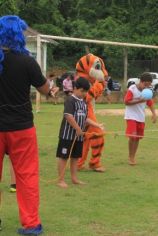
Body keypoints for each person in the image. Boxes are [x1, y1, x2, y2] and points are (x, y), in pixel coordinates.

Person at [0, 15, 53, 235]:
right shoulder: (27, 61)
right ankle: (31, 224)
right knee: (27, 176)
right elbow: (44, 89)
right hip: (22, 127)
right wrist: (52, 90)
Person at [56, 77, 91, 188]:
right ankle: (60, 180)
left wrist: (97, 125)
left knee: (75, 157)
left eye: (86, 91)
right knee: (64, 156)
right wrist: (77, 128)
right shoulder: (70, 100)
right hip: (67, 135)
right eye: (82, 91)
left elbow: (85, 118)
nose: (84, 93)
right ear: (75, 88)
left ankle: (74, 178)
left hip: (78, 137)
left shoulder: (84, 103)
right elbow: (68, 116)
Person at [76, 54, 107, 172]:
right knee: (97, 135)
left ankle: (79, 163)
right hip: (84, 110)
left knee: (85, 138)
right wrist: (100, 84)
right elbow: (87, 97)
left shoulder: (86, 80)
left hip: (84, 110)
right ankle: (94, 163)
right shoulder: (82, 81)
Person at [124, 72, 157, 165]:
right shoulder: (132, 89)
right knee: (133, 137)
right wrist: (140, 100)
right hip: (131, 116)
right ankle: (130, 157)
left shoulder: (147, 92)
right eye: (145, 85)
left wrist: (154, 114)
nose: (146, 87)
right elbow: (126, 102)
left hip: (141, 117)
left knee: (137, 138)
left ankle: (133, 157)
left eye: (149, 85)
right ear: (141, 82)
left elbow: (150, 103)